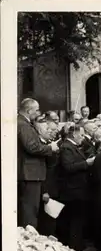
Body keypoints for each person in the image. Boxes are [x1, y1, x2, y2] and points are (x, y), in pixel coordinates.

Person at [18, 98, 59, 229]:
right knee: (30, 210)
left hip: (30, 173)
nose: (38, 112)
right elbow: (32, 147)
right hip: (30, 173)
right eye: (36, 110)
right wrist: (50, 148)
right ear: (29, 110)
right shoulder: (23, 124)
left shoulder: (23, 123)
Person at [57, 125, 94, 251]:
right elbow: (68, 167)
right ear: (74, 135)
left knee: (77, 221)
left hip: (78, 190)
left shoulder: (72, 146)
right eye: (82, 135)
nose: (83, 139)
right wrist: (86, 163)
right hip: (73, 191)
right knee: (75, 221)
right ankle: (75, 247)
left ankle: (77, 245)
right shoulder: (67, 147)